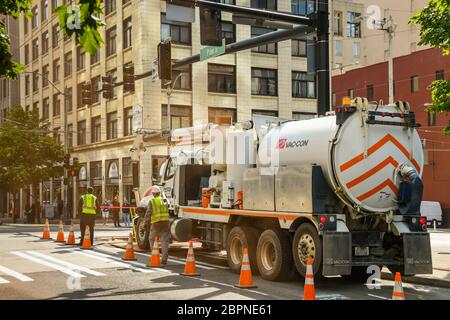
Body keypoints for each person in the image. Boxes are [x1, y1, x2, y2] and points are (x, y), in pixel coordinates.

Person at [145, 186, 170, 266]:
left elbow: (148, 213)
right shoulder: (165, 200)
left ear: (153, 193)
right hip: (166, 223)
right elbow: (168, 206)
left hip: (156, 223)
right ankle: (164, 260)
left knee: (151, 239)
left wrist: (145, 222)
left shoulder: (152, 201)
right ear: (159, 193)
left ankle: (155, 256)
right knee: (164, 241)